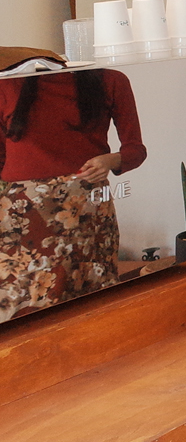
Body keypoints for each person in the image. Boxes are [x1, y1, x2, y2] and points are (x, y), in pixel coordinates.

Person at [0, 68, 146, 321]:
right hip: (22, 213)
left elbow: (136, 150)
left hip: (85, 207)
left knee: (91, 297)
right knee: (20, 303)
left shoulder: (109, 80)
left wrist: (110, 160)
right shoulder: (7, 84)